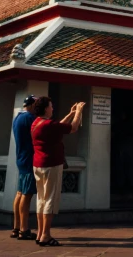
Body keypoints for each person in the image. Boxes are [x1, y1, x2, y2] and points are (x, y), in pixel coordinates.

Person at [31, 96, 85, 247]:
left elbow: (58, 126)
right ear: (46, 108)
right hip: (51, 165)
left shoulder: (37, 123)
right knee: (49, 201)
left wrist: (70, 113)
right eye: (51, 106)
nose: (52, 108)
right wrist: (79, 112)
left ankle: (41, 233)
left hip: (39, 165)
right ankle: (46, 235)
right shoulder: (47, 125)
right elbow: (73, 128)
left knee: (41, 200)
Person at [11, 94, 37, 240]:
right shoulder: (29, 118)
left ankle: (16, 227)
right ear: (33, 106)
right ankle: (24, 229)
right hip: (29, 159)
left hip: (21, 158)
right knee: (26, 195)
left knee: (20, 193)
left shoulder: (18, 117)